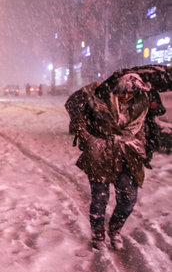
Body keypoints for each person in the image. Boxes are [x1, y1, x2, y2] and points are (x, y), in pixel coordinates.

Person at [66, 72, 153, 250]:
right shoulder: (98, 101)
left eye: (131, 93)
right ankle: (98, 233)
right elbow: (78, 120)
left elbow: (140, 129)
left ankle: (115, 229)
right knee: (100, 198)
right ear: (115, 89)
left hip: (127, 155)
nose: (127, 96)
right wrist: (89, 141)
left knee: (128, 199)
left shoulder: (139, 105)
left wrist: (140, 145)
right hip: (101, 154)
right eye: (123, 92)